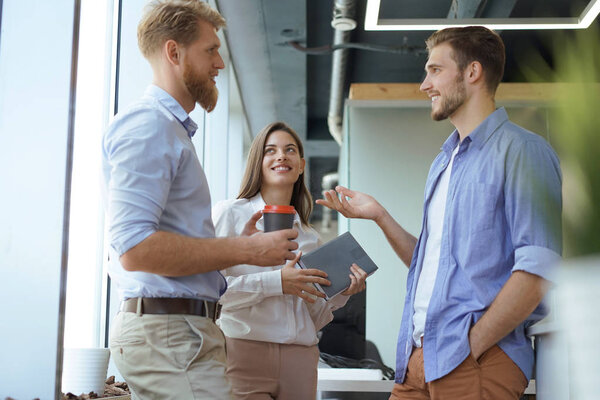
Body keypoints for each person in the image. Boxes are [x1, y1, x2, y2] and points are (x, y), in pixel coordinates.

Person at [318, 26, 562, 400]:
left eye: (434, 70)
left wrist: (471, 346)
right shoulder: (443, 163)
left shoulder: (523, 152)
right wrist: (381, 216)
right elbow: (429, 264)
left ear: (472, 72)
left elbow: (537, 268)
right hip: (417, 360)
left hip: (475, 361)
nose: (424, 84)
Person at [101, 2, 299, 399]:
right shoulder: (149, 125)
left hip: (182, 334)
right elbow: (135, 249)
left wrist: (234, 252)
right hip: (170, 334)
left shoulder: (171, 132)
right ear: (174, 53)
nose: (220, 63)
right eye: (211, 50)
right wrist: (246, 248)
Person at [212, 121, 368, 400]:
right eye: (270, 150)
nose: (281, 156)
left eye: (290, 150)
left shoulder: (309, 237)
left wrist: (341, 295)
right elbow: (213, 291)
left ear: (301, 165)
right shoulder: (231, 215)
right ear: (257, 162)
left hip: (301, 357)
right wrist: (277, 283)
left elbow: (311, 317)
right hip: (243, 351)